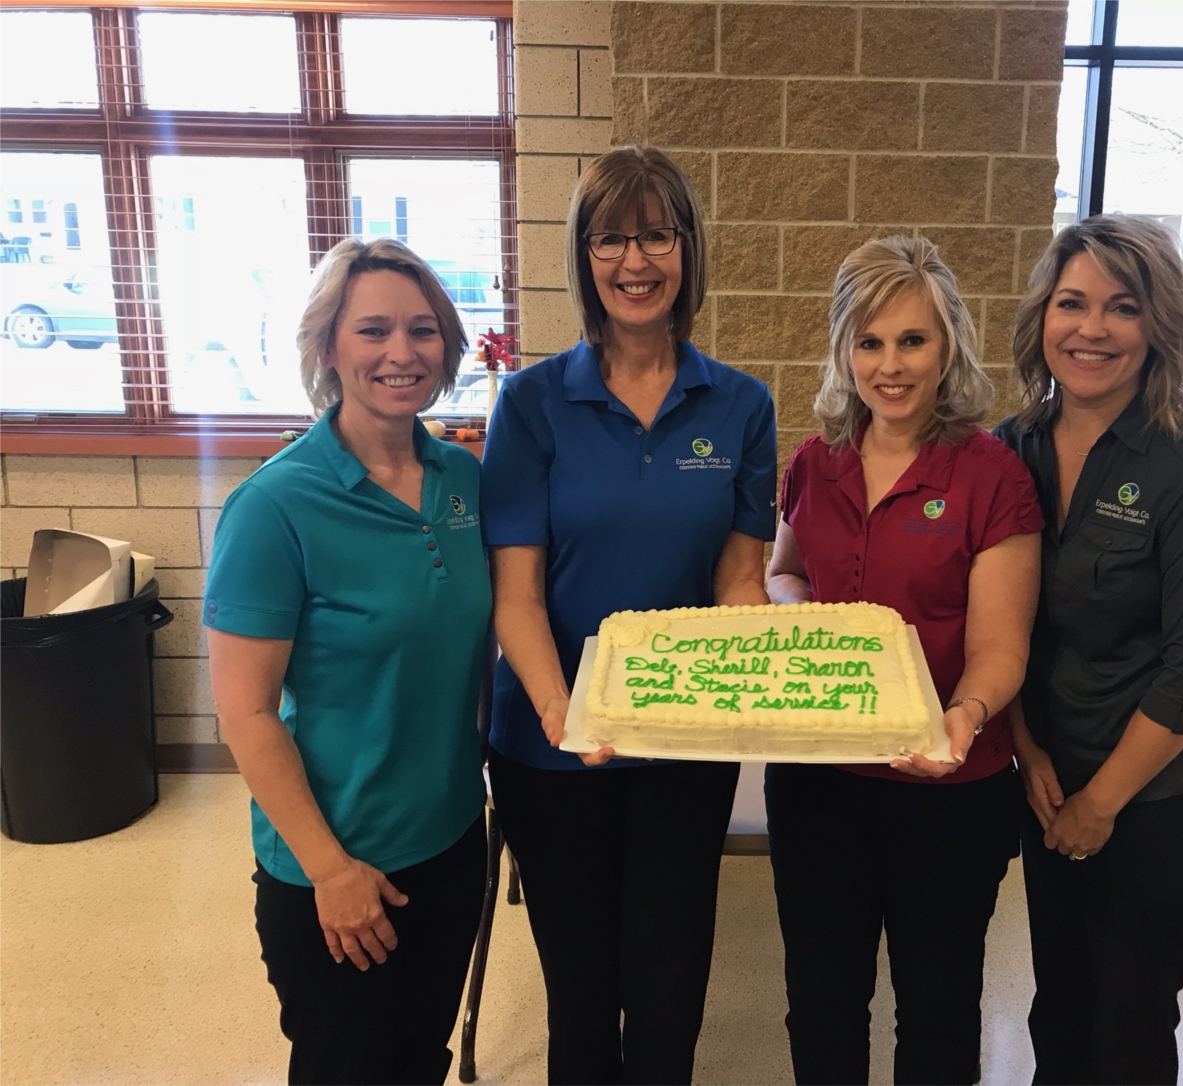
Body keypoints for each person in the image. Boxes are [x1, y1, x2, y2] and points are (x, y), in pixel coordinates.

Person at [479, 145, 777, 1085]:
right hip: (549, 745)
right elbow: (516, 593)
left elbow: (739, 577)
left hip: (686, 742)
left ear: (688, 248)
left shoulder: (742, 406)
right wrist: (568, 714)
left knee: (669, 980)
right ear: (584, 254)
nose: (634, 260)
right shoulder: (530, 403)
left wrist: (762, 647)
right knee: (581, 988)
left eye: (657, 233)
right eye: (611, 237)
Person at [205, 238, 491, 1086]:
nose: (401, 353)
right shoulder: (275, 505)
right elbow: (245, 713)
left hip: (448, 842)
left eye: (422, 330)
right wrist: (331, 871)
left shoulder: (462, 480)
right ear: (329, 346)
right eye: (373, 331)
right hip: (338, 861)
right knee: (348, 1067)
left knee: (416, 1060)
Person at [765, 235, 1044, 1085]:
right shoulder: (816, 461)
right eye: (870, 342)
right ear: (844, 350)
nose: (891, 365)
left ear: (948, 343)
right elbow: (783, 571)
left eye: (913, 341)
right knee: (821, 999)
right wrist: (805, 621)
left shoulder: (992, 476)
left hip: (946, 791)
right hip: (819, 778)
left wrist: (960, 718)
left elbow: (1001, 649)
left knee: (937, 1007)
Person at [994, 214, 1183, 1086]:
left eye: (1122, 307)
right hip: (1048, 776)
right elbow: (1009, 631)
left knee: (1129, 1019)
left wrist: (1097, 807)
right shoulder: (1012, 450)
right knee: (1058, 1004)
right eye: (1072, 303)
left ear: (1161, 325)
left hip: (1160, 797)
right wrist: (1029, 754)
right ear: (1043, 319)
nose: (1092, 329)